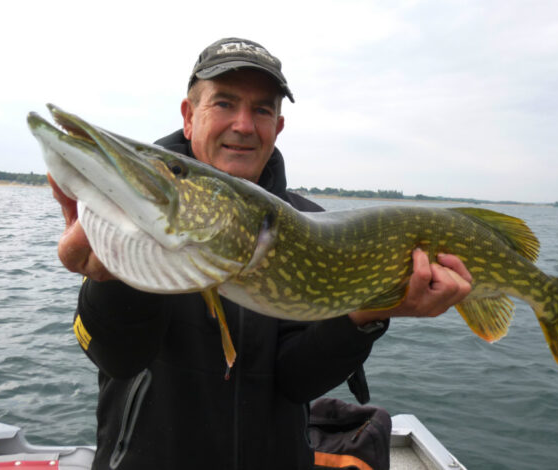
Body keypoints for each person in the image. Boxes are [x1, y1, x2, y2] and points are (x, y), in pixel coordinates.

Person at [49, 38, 472, 469]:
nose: (244, 125)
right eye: (225, 103)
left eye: (262, 110)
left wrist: (367, 315)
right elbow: (116, 357)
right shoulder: (135, 215)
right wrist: (117, 276)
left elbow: (296, 380)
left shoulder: (307, 225)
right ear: (189, 117)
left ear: (277, 127)